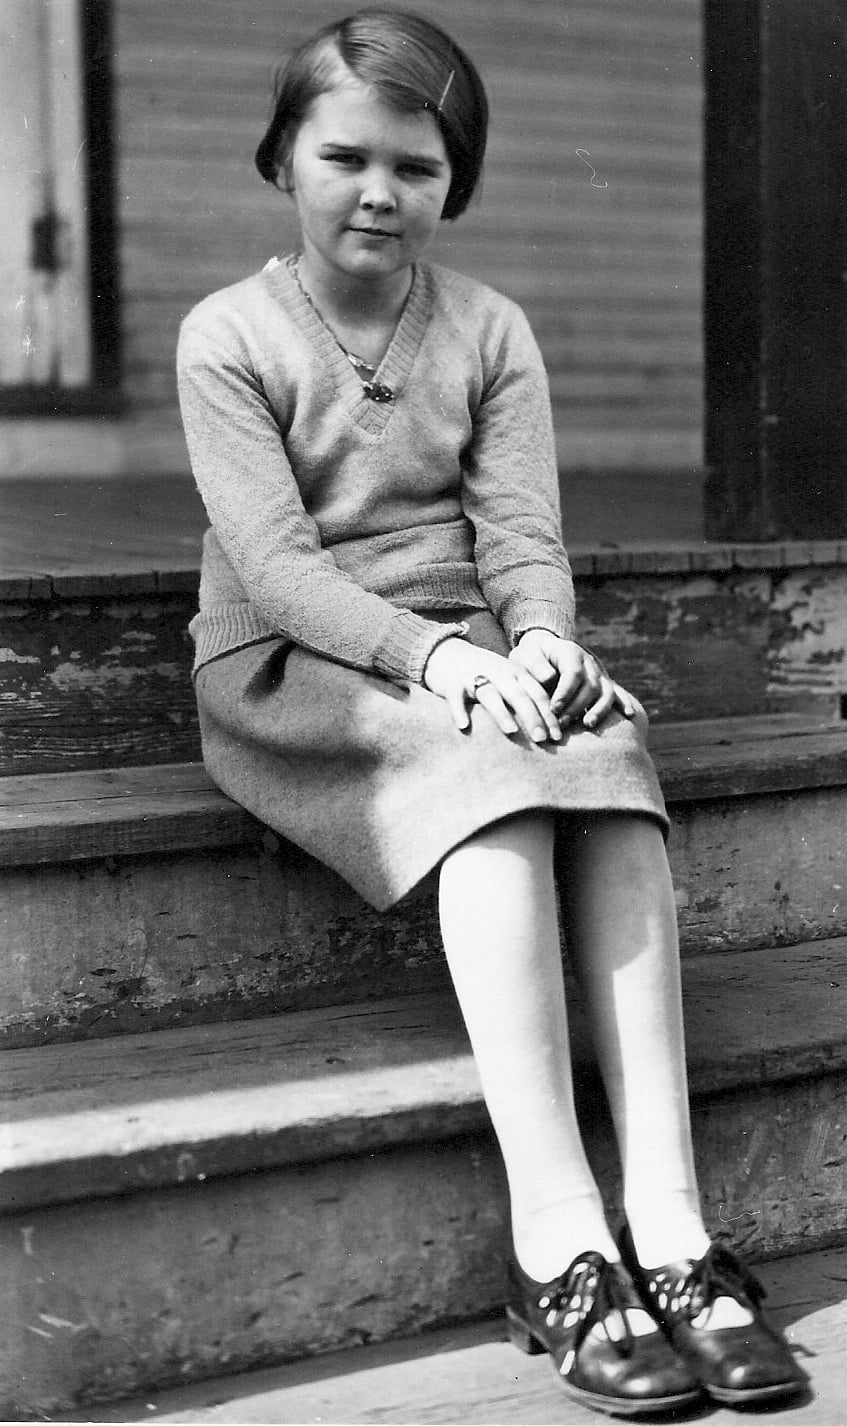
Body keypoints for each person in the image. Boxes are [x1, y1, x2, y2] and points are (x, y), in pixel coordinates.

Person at [176, 9, 806, 1416]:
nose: (380, 191)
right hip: (296, 663)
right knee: (498, 782)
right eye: (345, 155)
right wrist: (448, 666)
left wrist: (547, 645)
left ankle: (676, 1225)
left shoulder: (488, 328)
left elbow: (520, 534)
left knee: (602, 744)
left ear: (455, 179)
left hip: (469, 644)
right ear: (282, 154)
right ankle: (562, 1235)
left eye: (419, 164)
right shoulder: (229, 334)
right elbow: (276, 569)